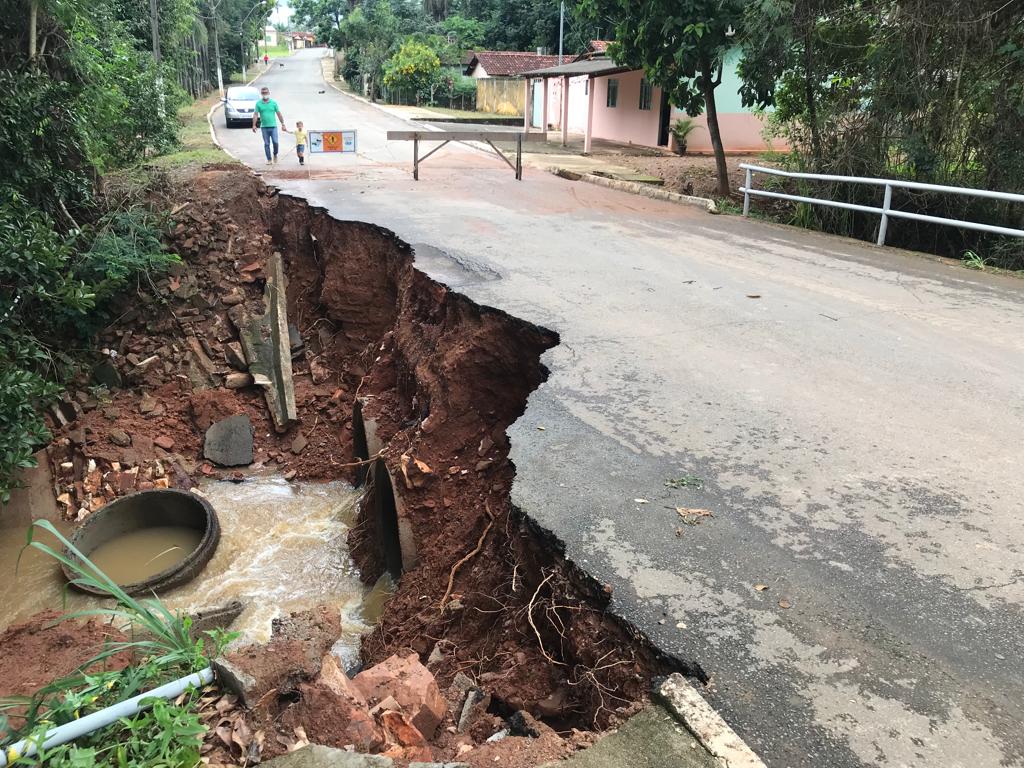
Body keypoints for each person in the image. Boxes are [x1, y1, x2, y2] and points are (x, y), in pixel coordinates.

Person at [252, 86, 288, 165]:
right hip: (264, 127)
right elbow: (255, 114)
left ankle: (275, 154)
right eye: (263, 93)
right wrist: (254, 125)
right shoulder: (258, 104)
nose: (265, 94)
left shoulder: (273, 103)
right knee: (267, 144)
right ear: (261, 94)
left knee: (275, 142)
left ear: (269, 93)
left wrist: (283, 124)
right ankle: (269, 159)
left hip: (273, 126)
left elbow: (279, 114)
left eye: (266, 93)